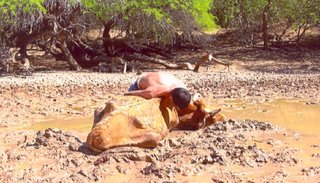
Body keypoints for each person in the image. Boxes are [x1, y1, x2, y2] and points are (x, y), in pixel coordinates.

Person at [124, 72, 191, 110]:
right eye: (175, 106)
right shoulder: (159, 90)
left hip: (156, 79)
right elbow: (147, 93)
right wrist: (127, 94)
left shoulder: (183, 88)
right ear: (171, 98)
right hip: (138, 86)